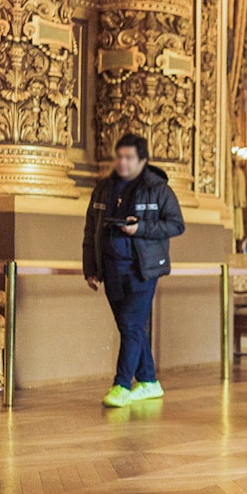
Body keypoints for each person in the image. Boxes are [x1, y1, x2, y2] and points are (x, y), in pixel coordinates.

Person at [83, 132, 185, 408]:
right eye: (120, 156)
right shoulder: (103, 188)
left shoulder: (158, 188)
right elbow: (91, 229)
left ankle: (121, 385)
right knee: (132, 328)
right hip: (111, 269)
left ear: (142, 161)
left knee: (130, 325)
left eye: (129, 157)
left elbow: (176, 224)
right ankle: (149, 381)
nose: (122, 162)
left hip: (143, 270)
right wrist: (90, 268)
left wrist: (140, 228)